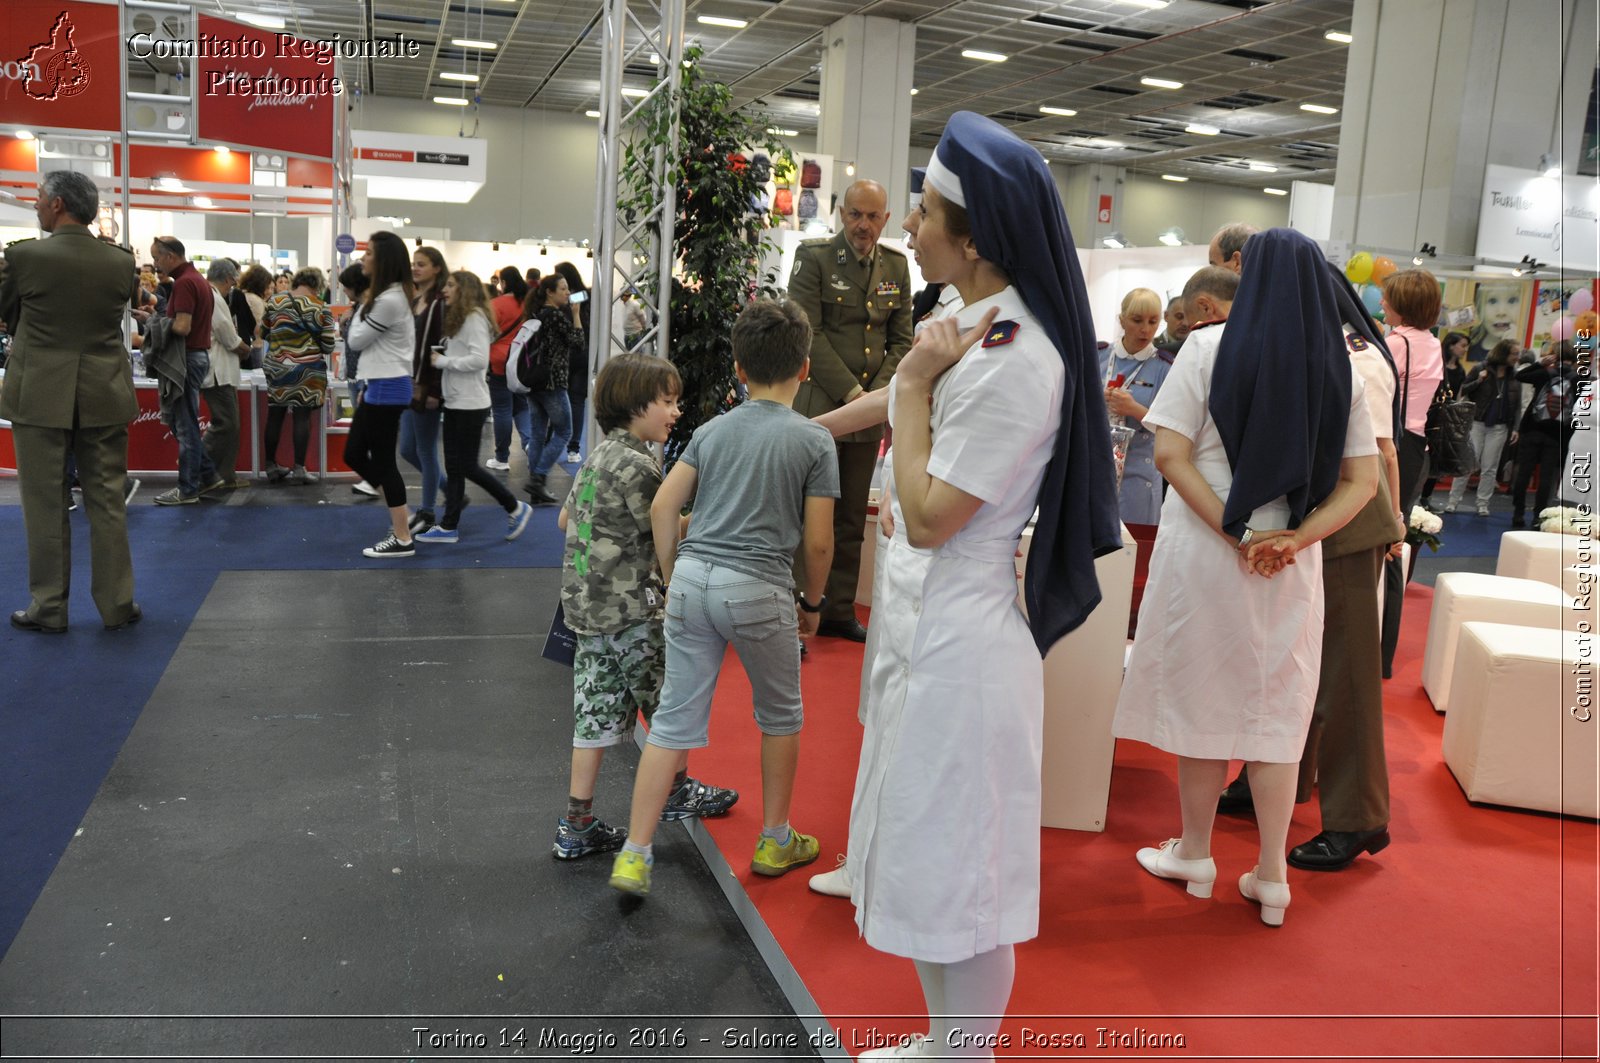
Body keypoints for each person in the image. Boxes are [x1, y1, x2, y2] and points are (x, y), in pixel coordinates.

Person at [838, 112, 1121, 1061]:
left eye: (922, 213)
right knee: (927, 862)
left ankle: (967, 1052)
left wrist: (913, 390)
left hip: (963, 643)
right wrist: (826, 427)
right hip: (930, 628)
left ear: (973, 238)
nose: (906, 228)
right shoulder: (983, 318)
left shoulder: (1018, 360)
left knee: (968, 876)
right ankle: (942, 1043)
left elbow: (928, 512)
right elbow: (912, 460)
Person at [1113, 227, 1380, 928]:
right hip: (1290, 560)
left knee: (1205, 701)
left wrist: (1239, 533)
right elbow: (1364, 482)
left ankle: (1195, 852)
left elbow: (1170, 454)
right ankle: (1270, 872)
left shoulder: (1205, 346)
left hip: (1209, 547)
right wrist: (1294, 538)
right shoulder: (1340, 367)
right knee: (1277, 710)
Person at [608, 299, 839, 898]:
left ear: (738, 368)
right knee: (780, 716)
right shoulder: (814, 441)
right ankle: (775, 838)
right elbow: (818, 543)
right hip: (759, 590)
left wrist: (670, 572)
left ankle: (634, 855)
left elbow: (665, 507)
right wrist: (813, 603)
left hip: (692, 582)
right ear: (805, 368)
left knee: (671, 723)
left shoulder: (710, 430)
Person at [552, 353, 738, 860]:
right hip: (633, 610)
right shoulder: (638, 465)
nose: (675, 412)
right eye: (668, 402)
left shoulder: (597, 455)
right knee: (668, 704)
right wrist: (697, 522)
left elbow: (566, 522)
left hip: (588, 613)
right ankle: (676, 792)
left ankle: (576, 824)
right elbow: (663, 521)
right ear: (637, 405)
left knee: (591, 720)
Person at [2, 170, 143, 633]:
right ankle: (117, 604)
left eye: (41, 200)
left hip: (39, 392)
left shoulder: (23, 258)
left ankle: (48, 608)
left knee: (44, 503)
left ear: (58, 203)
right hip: (103, 390)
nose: (37, 207)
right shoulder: (122, 262)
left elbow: (7, 314)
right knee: (107, 501)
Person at [785, 178, 914, 643]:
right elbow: (807, 333)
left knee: (852, 516)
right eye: (856, 214)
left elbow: (901, 340)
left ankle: (838, 609)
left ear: (885, 217)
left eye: (873, 216)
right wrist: (853, 396)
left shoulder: (896, 266)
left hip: (870, 411)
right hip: (821, 407)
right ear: (842, 214)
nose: (864, 224)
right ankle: (798, 608)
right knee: (807, 513)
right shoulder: (815, 257)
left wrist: (878, 396)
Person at [414, 271, 534, 544]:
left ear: (465, 289)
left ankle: (514, 506)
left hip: (470, 403)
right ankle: (449, 526)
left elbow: (479, 360)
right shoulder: (462, 319)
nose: (446, 289)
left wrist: (443, 362)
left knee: (465, 465)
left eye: (452, 285)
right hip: (458, 400)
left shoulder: (474, 318)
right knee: (456, 466)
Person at [1378, 268, 1443, 674]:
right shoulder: (1432, 344)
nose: (1381, 303)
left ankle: (1372, 648)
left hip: (1390, 445)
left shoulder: (1395, 343)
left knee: (1382, 541)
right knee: (1394, 541)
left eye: (1387, 298)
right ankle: (1384, 650)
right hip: (1416, 448)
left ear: (1401, 304)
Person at [345, 231, 419, 558]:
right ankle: (402, 514)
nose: (363, 257)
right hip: (379, 384)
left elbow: (356, 340)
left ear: (383, 260)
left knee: (385, 462)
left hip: (389, 385)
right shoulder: (386, 296)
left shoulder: (389, 300)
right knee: (354, 454)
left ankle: (402, 536)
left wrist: (361, 308)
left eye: (369, 253)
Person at [149, 235, 224, 505]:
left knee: (185, 426)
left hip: (187, 358)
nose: (155, 264)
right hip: (196, 357)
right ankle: (208, 475)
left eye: (157, 258)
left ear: (171, 256)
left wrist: (154, 323)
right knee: (187, 422)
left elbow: (182, 327)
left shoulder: (184, 283)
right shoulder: (198, 281)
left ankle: (188, 488)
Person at [1101, 287, 1175, 526]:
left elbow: (1171, 429)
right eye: (1137, 320)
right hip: (1095, 466)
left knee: (1133, 552)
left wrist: (1134, 409)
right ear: (1121, 319)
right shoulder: (1097, 356)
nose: (1145, 329)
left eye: (1153, 322)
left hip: (1138, 475)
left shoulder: (1165, 367)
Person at [261, 267, 334, 484]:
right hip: (307, 369)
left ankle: (271, 466)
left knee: (275, 415)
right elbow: (329, 346)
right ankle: (299, 469)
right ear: (317, 284)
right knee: (302, 417)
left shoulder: (275, 301)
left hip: (278, 366)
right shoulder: (321, 307)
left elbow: (264, 332)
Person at [522, 273, 584, 505]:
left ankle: (535, 486)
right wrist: (576, 315)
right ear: (550, 292)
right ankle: (538, 478)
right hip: (553, 382)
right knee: (564, 432)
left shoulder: (536, 314)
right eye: (563, 289)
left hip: (534, 382)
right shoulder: (556, 316)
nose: (568, 293)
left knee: (538, 434)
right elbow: (578, 343)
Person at [400, 246, 449, 533]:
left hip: (427, 385)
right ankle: (452, 491)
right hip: (409, 381)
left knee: (427, 450)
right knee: (407, 449)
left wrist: (432, 389)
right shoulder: (415, 299)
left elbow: (437, 347)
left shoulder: (439, 303)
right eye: (414, 264)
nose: (416, 268)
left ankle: (428, 511)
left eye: (422, 264)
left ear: (436, 268)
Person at [1509, 339, 1579, 528]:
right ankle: (1539, 517)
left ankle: (1518, 513)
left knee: (1524, 472)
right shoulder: (1577, 378)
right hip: (1558, 434)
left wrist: (1539, 363)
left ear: (1554, 354)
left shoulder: (1543, 373)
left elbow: (1520, 375)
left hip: (1533, 428)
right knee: (1547, 478)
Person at [1445, 339, 1520, 516]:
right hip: (1477, 423)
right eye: (1514, 354)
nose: (1517, 358)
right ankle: (1453, 500)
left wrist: (1515, 427)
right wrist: (1479, 380)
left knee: (1490, 467)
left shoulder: (1513, 376)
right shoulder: (1481, 368)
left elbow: (1516, 404)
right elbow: (1464, 389)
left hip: (1499, 427)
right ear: (1503, 353)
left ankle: (1483, 503)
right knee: (1467, 463)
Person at [200, 258, 252, 491]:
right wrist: (245, 349)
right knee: (226, 423)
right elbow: (227, 334)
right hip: (218, 369)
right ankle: (197, 462)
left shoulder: (208, 294)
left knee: (231, 424)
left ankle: (224, 475)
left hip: (221, 369)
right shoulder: (214, 297)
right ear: (230, 278)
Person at [487, 265, 532, 472]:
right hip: (522, 359)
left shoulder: (496, 304)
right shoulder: (528, 303)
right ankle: (530, 443)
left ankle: (502, 457)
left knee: (502, 408)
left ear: (503, 283)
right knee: (521, 405)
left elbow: (488, 332)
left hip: (499, 361)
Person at [1419, 331, 1470, 509]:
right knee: (1424, 456)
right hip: (1429, 414)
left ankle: (1426, 497)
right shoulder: (1436, 365)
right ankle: (1417, 496)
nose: (1464, 350)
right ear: (1451, 345)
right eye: (1462, 345)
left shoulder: (1460, 370)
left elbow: (1460, 394)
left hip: (1446, 418)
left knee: (1438, 458)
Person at [552, 261, 590, 463]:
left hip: (567, 353)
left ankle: (552, 442)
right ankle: (573, 448)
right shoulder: (585, 294)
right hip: (582, 353)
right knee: (576, 402)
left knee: (556, 398)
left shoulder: (567, 300)